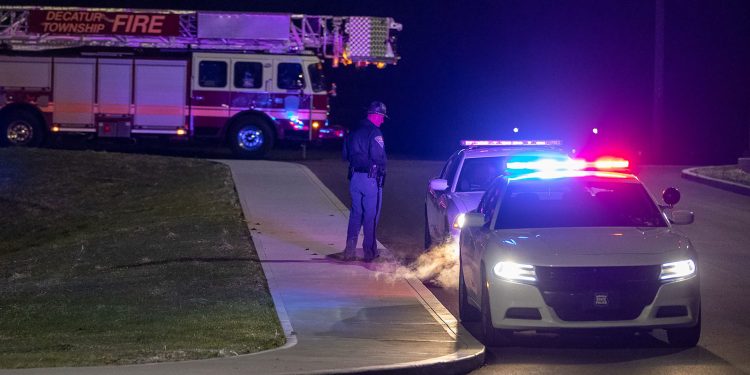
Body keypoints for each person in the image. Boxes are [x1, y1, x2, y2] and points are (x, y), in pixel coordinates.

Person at [341, 101, 388, 262]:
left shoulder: (353, 131)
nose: (382, 121)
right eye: (382, 117)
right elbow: (379, 157)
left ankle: (349, 250)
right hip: (370, 179)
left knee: (355, 214)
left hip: (354, 178)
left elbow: (345, 155)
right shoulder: (375, 133)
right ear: (375, 115)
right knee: (371, 216)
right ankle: (369, 252)